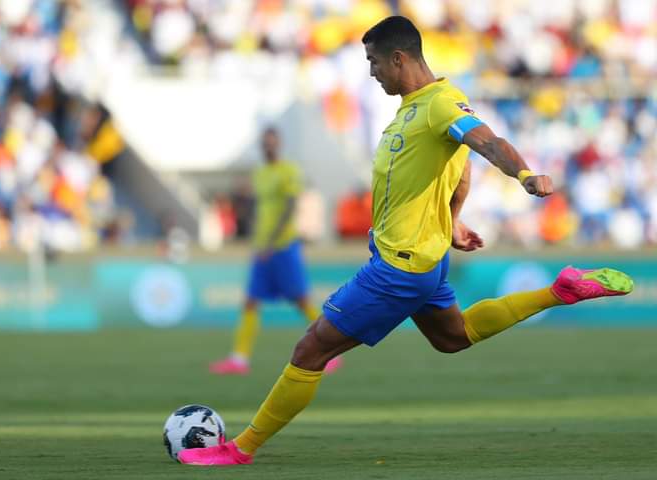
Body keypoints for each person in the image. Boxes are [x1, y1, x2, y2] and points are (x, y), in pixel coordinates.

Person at [180, 16, 633, 465]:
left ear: (398, 58)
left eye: (374, 62)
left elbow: (485, 143)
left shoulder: (440, 104)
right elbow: (458, 167)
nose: (372, 72)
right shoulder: (415, 109)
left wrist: (526, 174)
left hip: (400, 267)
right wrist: (453, 221)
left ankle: (241, 449)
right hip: (424, 260)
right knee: (455, 337)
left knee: (311, 350)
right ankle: (560, 291)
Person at [209, 127, 342, 375]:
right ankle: (239, 359)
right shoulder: (260, 173)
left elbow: (289, 207)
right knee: (250, 301)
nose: (268, 147)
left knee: (301, 300)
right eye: (264, 143)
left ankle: (330, 353)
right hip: (263, 248)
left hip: (283, 246)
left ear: (278, 144)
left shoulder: (289, 171)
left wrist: (271, 240)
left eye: (271, 143)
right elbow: (261, 209)